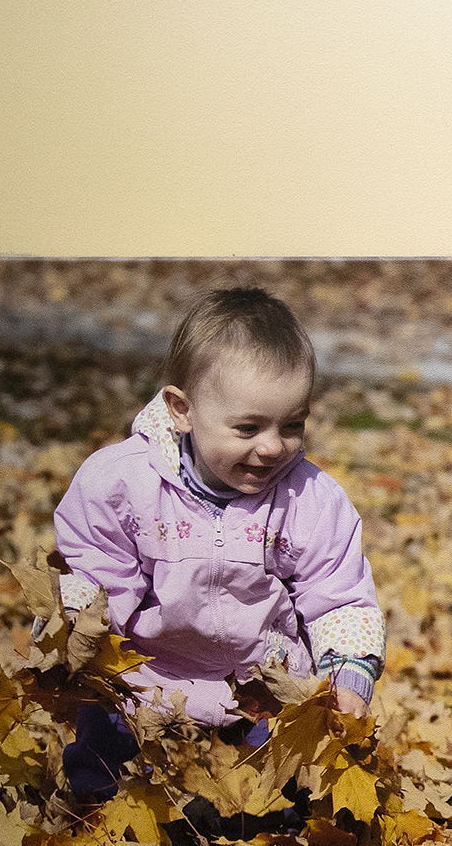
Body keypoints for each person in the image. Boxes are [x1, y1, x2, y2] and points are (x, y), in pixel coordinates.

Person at [50, 286, 384, 796]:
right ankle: (99, 811)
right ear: (182, 410)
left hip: (261, 693)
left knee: (273, 805)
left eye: (293, 425)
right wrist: (73, 634)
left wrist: (347, 674)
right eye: (248, 427)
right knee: (101, 763)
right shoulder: (121, 486)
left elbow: (338, 597)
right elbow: (94, 583)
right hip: (145, 683)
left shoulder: (311, 500)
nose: (273, 447)